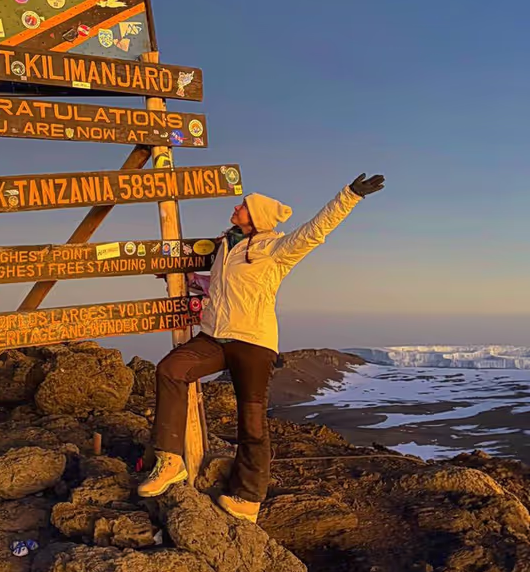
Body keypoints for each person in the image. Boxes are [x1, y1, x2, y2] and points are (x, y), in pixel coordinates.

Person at [137, 172, 385, 522]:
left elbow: (316, 231)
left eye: (243, 206)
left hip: (253, 343)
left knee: (251, 420)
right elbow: (222, 287)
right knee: (170, 370)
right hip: (214, 337)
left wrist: (350, 196)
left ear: (257, 219)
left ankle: (247, 497)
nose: (236, 207)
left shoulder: (275, 248)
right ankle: (170, 461)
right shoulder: (227, 245)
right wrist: (189, 280)